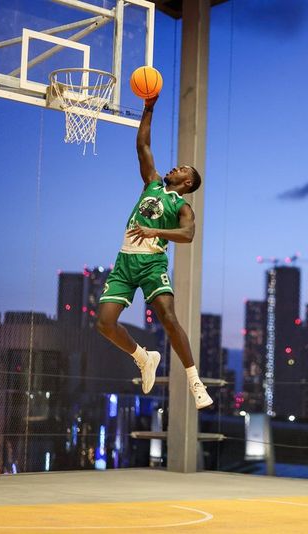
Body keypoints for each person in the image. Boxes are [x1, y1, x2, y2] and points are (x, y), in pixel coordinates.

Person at [96, 94, 213, 409]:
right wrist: (149, 107)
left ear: (187, 183)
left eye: (182, 169)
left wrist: (155, 231)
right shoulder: (152, 183)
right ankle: (143, 357)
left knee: (169, 317)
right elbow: (143, 147)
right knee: (104, 323)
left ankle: (195, 382)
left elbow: (188, 235)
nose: (175, 167)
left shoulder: (182, 206)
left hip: (152, 263)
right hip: (125, 261)